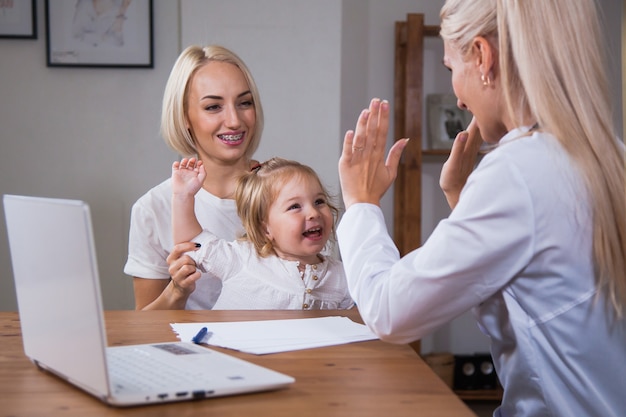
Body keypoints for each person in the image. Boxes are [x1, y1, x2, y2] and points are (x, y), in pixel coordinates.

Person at [336, 0, 626, 415]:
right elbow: (540, 291)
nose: (458, 97)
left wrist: (361, 203)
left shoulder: (518, 170)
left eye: (453, 68)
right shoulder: (610, 155)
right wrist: (462, 197)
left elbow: (388, 313)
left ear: (483, 56)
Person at [124, 44, 264, 310]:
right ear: (185, 116)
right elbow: (143, 328)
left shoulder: (288, 195)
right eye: (213, 107)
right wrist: (177, 292)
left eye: (244, 103)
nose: (234, 120)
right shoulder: (153, 208)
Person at [170, 156, 353, 310]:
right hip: (227, 351)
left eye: (319, 201)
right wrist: (183, 197)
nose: (314, 213)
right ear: (265, 227)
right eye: (295, 206)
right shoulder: (242, 259)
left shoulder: (342, 277)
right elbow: (193, 243)